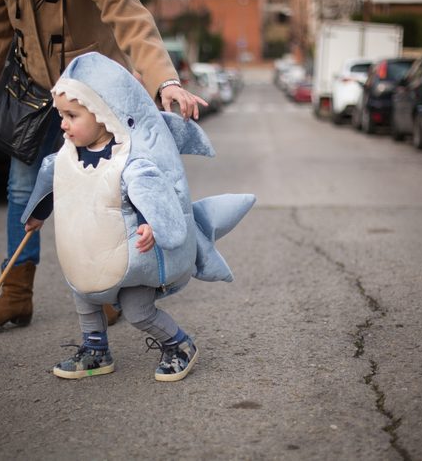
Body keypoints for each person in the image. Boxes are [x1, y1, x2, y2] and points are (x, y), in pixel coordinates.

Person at [0, 0, 207, 328]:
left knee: (103, 187)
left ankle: (110, 286)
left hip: (93, 93)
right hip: (33, 92)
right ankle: (16, 294)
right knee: (21, 188)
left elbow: (128, 14)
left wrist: (165, 80)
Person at [21, 53, 255, 381]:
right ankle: (95, 351)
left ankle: (179, 345)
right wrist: (37, 215)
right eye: (61, 114)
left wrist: (153, 229)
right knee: (85, 298)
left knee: (138, 311)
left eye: (72, 115)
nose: (63, 123)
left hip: (133, 258)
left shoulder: (131, 165)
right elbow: (50, 181)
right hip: (89, 255)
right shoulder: (64, 159)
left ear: (103, 114)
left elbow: (156, 204)